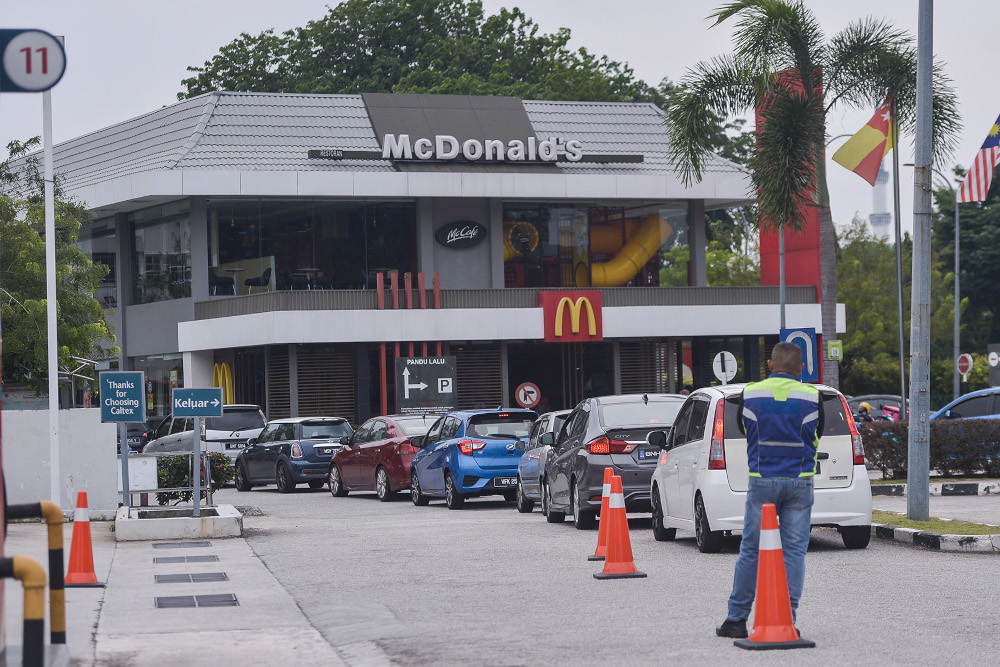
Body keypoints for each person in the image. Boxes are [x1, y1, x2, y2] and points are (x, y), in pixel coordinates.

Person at [715, 341, 823, 639]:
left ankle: (736, 620)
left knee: (750, 550)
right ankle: (786, 618)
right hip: (800, 483)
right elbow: (817, 433)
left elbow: (744, 428)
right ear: (801, 368)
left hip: (761, 481)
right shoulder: (813, 396)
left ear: (770, 364)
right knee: (794, 552)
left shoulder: (750, 394)